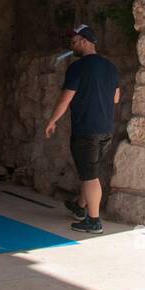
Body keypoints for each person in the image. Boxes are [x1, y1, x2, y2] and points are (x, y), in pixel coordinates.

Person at [45, 24, 120, 234]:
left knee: (89, 176)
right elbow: (115, 98)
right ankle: (79, 206)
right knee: (91, 171)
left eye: (74, 42)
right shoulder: (110, 67)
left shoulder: (77, 68)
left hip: (86, 129)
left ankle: (93, 221)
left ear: (85, 41)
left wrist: (52, 121)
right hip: (106, 129)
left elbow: (65, 99)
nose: (72, 45)